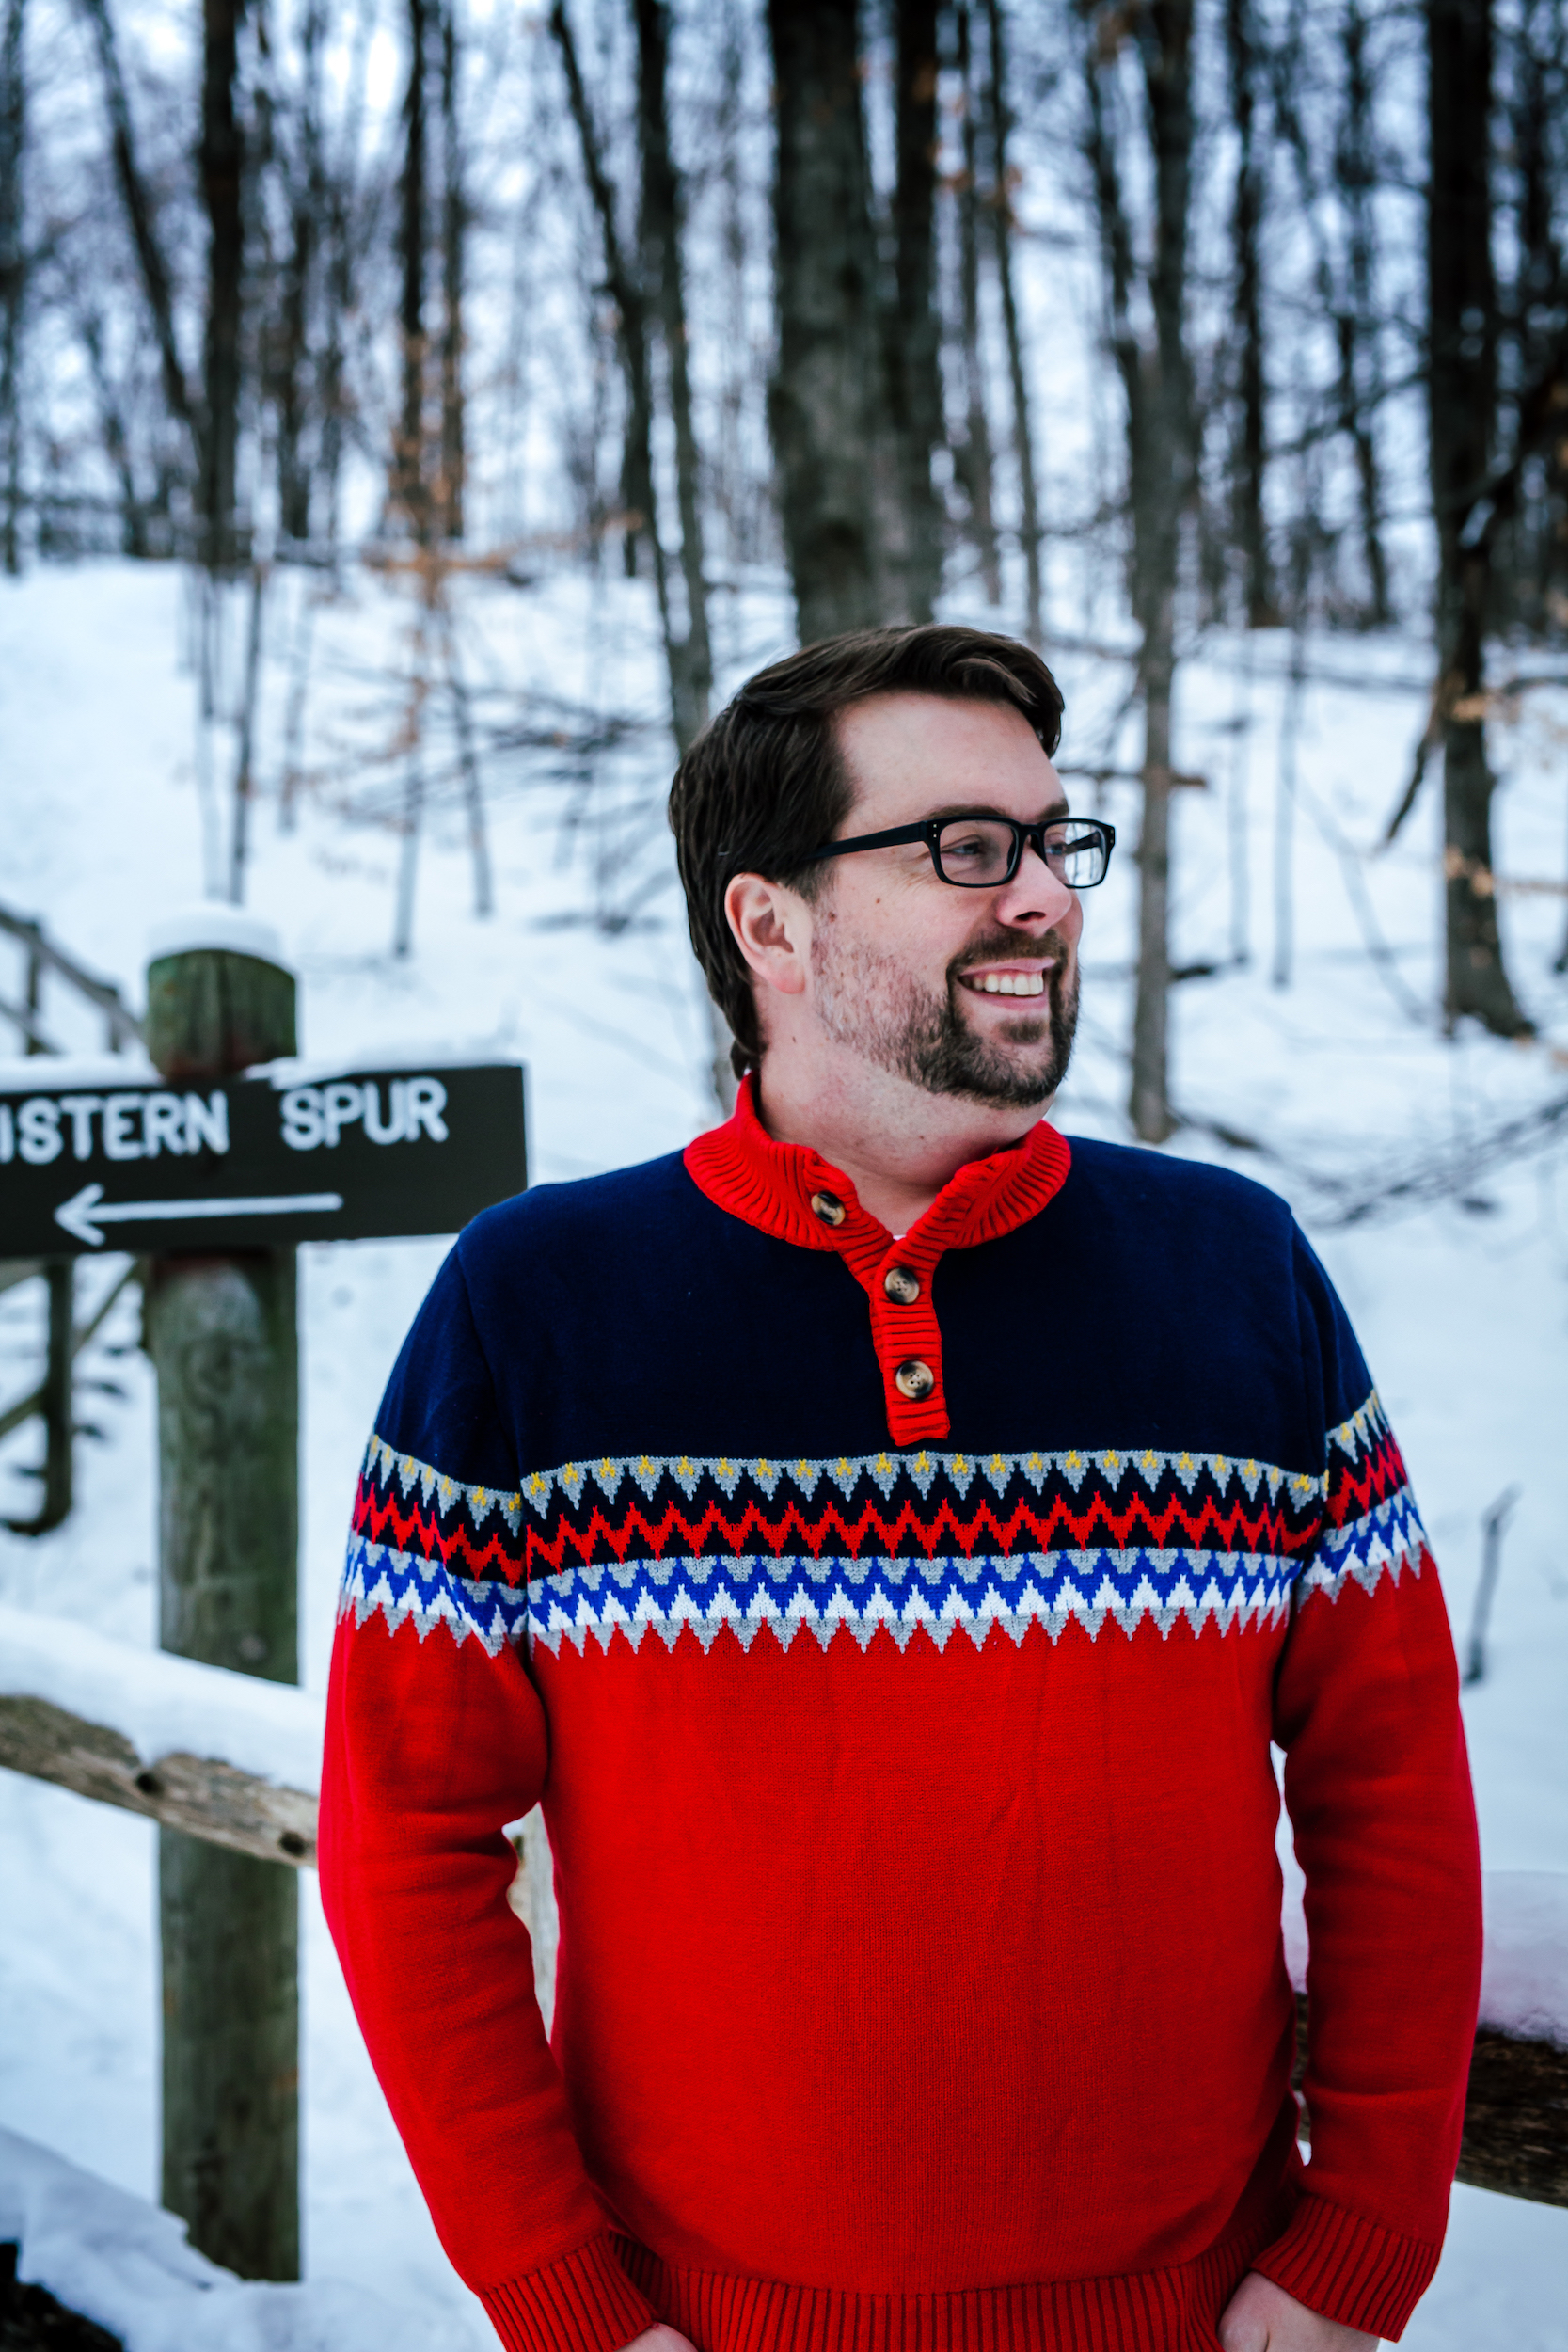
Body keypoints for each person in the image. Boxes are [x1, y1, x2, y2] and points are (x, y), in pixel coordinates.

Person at [320, 626, 1481, 2352]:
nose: (1040, 898)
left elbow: (1390, 1788)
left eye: (1052, 841)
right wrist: (566, 2303)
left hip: (1201, 2318)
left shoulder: (1234, 1271)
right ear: (768, 922)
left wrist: (1355, 2250)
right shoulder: (536, 1305)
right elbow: (406, 1840)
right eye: (963, 848)